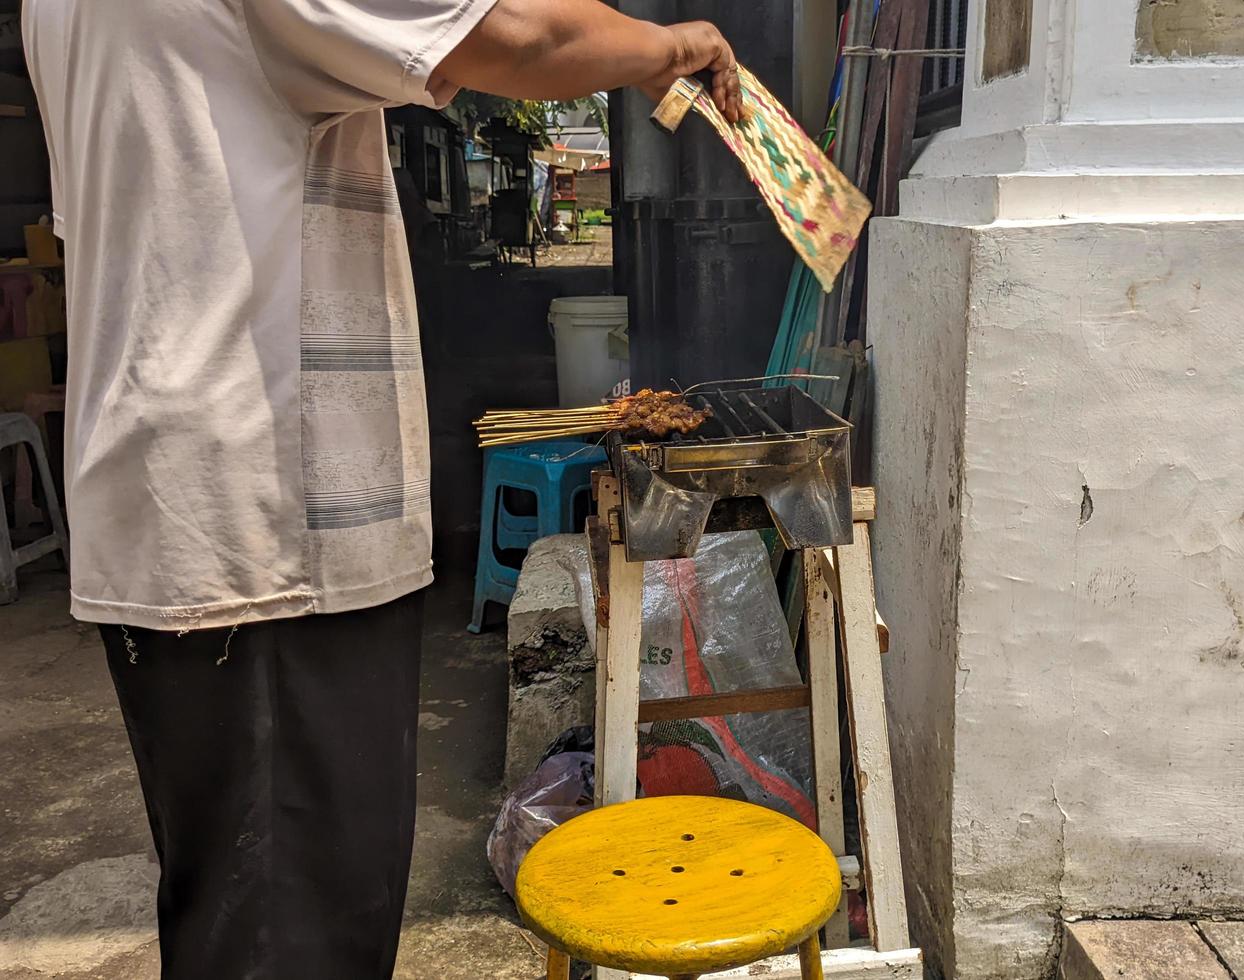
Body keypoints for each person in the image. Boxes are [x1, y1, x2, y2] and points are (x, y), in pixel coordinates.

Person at [21, 1, 740, 977]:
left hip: (170, 506)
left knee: (236, 911)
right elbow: (521, 34)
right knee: (296, 934)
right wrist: (673, 46)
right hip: (271, 533)